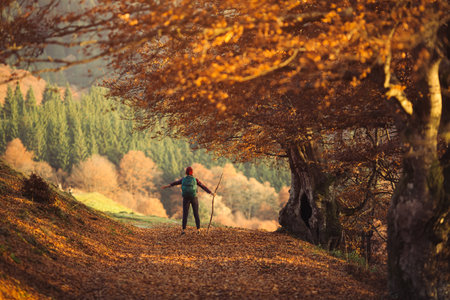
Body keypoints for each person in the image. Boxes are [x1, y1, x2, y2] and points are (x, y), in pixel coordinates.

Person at [162, 166, 214, 235]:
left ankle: (183, 230)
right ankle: (198, 229)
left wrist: (168, 186)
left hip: (186, 198)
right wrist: (210, 192)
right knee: (196, 213)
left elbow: (175, 183)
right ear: (192, 172)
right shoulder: (195, 180)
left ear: (186, 172)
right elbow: (202, 186)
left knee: (185, 214)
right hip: (194, 197)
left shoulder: (183, 179)